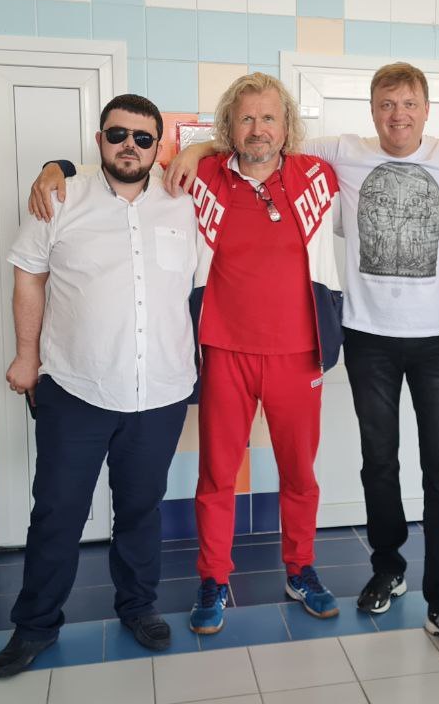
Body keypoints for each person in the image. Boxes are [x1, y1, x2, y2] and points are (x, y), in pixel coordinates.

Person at [29, 73, 344, 636]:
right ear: (229, 127)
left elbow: (379, 156)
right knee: (216, 476)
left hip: (300, 354)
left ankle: (300, 569)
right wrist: (59, 166)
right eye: (246, 118)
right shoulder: (199, 178)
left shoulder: (318, 175)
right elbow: (124, 166)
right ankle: (213, 578)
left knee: (300, 474)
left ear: (287, 125)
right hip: (222, 352)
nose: (258, 129)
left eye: (269, 117)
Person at [0, 94, 197, 677]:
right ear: (99, 138)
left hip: (160, 390)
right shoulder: (60, 197)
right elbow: (28, 278)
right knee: (57, 512)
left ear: (159, 147)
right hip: (75, 388)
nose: (130, 146)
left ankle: (138, 607)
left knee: (140, 509)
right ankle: (35, 626)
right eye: (118, 134)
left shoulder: (185, 204)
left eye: (143, 138)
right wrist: (26, 357)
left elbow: (241, 152)